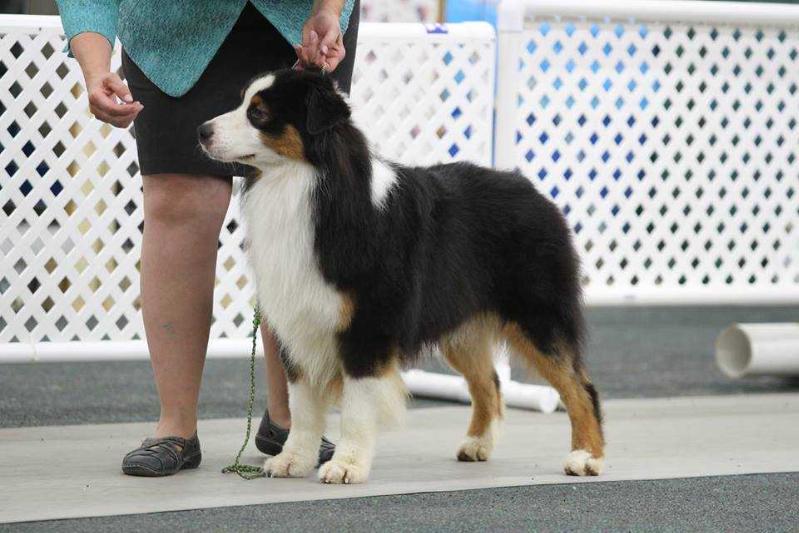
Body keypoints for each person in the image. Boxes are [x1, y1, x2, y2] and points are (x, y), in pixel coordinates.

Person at [55, 0, 359, 476]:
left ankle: (295, 422)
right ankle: (175, 426)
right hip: (170, 32)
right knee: (179, 201)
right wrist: (95, 69)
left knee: (301, 209)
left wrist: (329, 9)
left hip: (297, 24)